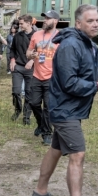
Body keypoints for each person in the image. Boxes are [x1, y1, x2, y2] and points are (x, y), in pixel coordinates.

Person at [30, 4, 98, 196]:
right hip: (64, 109)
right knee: (77, 154)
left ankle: (40, 192)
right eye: (90, 21)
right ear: (78, 24)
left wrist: (97, 82)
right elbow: (69, 83)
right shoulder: (70, 45)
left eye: (97, 20)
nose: (96, 24)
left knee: (56, 149)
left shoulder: (88, 44)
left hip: (71, 108)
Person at [26, 10, 60, 146]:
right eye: (45, 18)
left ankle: (47, 134)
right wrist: (30, 56)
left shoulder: (60, 36)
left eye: (48, 18)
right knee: (33, 103)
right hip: (36, 76)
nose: (45, 20)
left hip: (52, 77)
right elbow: (28, 51)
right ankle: (41, 124)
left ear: (55, 21)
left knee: (47, 106)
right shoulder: (36, 34)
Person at [9, 14, 34, 124]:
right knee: (16, 91)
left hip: (31, 68)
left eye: (21, 23)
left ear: (28, 23)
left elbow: (41, 51)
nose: (19, 25)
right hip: (18, 66)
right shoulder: (17, 36)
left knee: (29, 92)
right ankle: (17, 109)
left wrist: (32, 60)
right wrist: (13, 59)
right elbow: (12, 49)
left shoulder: (36, 36)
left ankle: (26, 116)